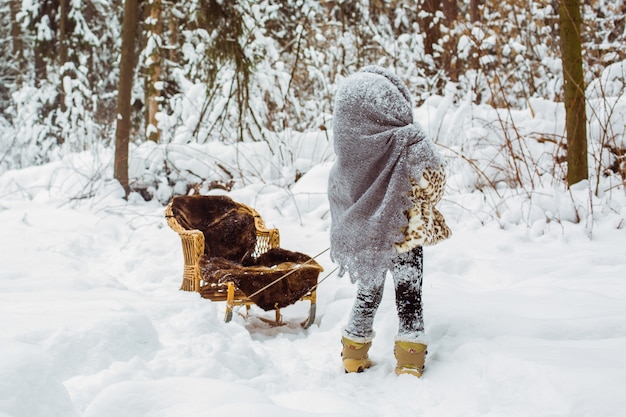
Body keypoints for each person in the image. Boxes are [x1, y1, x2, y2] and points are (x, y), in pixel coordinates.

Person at [327, 65, 451, 377]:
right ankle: (410, 359)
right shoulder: (408, 142)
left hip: (367, 239)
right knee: (409, 294)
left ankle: (353, 352)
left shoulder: (346, 157)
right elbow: (434, 183)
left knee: (367, 293)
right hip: (403, 232)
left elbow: (341, 202)